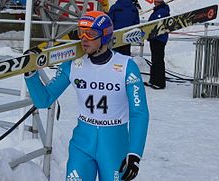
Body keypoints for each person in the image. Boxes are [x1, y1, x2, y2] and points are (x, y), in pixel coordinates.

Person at [25, 11, 149, 181]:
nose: (83, 38)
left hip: (113, 145)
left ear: (105, 36)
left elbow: (139, 113)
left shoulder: (127, 66)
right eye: (80, 32)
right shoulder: (72, 64)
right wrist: (31, 73)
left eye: (90, 34)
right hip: (82, 144)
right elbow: (43, 99)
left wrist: (135, 153)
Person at [144, 0, 170, 89]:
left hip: (159, 39)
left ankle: (159, 82)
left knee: (158, 60)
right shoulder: (159, 10)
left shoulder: (161, 11)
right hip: (155, 39)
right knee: (155, 60)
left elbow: (157, 25)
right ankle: (153, 80)